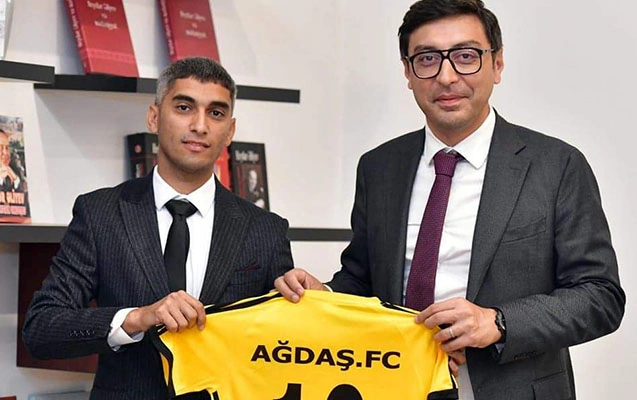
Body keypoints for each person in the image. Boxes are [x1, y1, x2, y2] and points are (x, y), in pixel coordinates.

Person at [275, 1, 625, 399]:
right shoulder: (379, 167)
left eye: (466, 56)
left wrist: (498, 322)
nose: (446, 76)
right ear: (408, 72)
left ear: (497, 64)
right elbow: (364, 280)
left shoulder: (555, 166)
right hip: (396, 386)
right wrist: (326, 298)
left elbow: (600, 296)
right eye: (427, 59)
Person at [23, 57, 294, 400]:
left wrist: (316, 298)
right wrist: (136, 319)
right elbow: (42, 328)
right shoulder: (100, 214)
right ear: (154, 117)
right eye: (184, 107)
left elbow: (284, 346)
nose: (200, 125)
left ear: (230, 130)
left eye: (216, 113)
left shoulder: (266, 230)